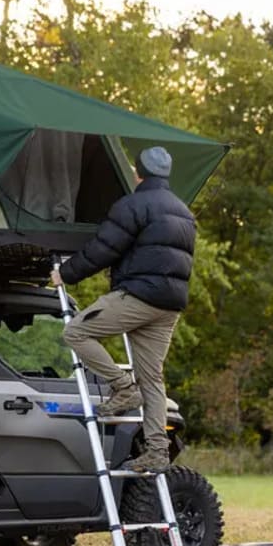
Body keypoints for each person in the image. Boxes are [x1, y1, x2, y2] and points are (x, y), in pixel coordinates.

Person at [50, 146, 196, 472]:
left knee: (76, 331)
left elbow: (104, 249)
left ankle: (122, 387)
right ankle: (158, 450)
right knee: (153, 379)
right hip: (170, 305)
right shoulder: (183, 211)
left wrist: (65, 274)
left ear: (138, 173)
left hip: (138, 296)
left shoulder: (133, 204)